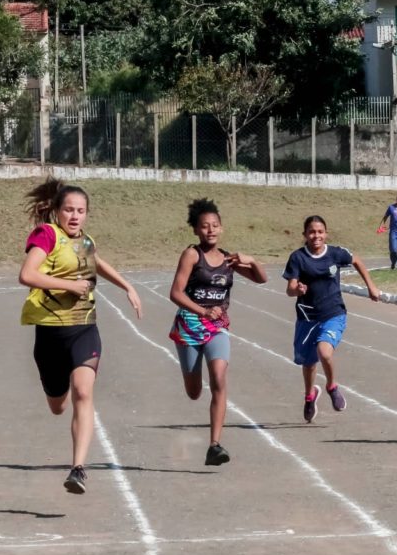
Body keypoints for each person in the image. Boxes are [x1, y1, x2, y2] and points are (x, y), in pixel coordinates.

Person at [19, 178, 142, 494]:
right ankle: (54, 393)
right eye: (69, 210)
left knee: (83, 392)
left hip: (84, 329)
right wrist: (69, 285)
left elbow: (97, 264)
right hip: (50, 334)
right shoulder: (47, 236)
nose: (75, 216)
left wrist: (127, 286)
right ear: (57, 211)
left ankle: (78, 469)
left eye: (81, 211)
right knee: (57, 405)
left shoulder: (86, 241)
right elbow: (27, 274)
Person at [168, 198, 268, 466]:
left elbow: (262, 278)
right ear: (196, 230)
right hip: (189, 325)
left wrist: (252, 260)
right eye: (204, 226)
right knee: (194, 391)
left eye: (214, 225)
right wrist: (202, 311)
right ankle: (191, 375)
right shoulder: (191, 255)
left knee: (220, 379)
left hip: (217, 328)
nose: (210, 230)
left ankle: (215, 445)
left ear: (221, 228)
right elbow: (175, 293)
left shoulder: (229, 260)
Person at [284, 216, 380, 423]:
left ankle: (332, 386)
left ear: (326, 233)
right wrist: (297, 289)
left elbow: (357, 260)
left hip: (333, 313)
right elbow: (290, 289)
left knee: (324, 352)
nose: (316, 236)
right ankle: (310, 396)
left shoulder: (336, 253)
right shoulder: (298, 258)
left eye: (320, 232)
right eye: (311, 232)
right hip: (307, 317)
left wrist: (370, 286)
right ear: (304, 235)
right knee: (308, 364)